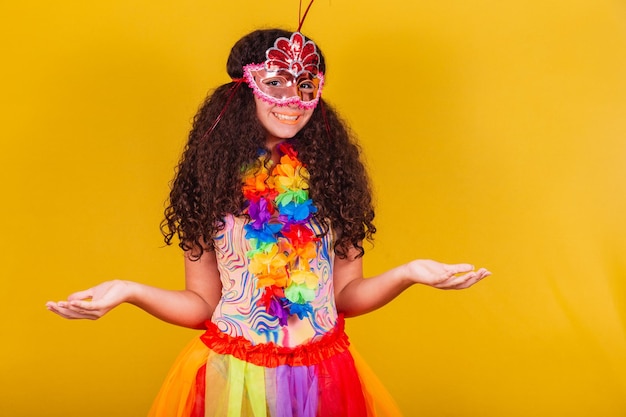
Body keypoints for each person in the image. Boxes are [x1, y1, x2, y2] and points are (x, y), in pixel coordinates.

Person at [46, 28, 490, 417]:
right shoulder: (212, 184)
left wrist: (410, 273)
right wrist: (128, 291)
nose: (293, 100)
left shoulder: (334, 182)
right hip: (235, 376)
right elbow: (200, 305)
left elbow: (347, 297)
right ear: (245, 90)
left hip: (325, 373)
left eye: (304, 84)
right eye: (275, 83)